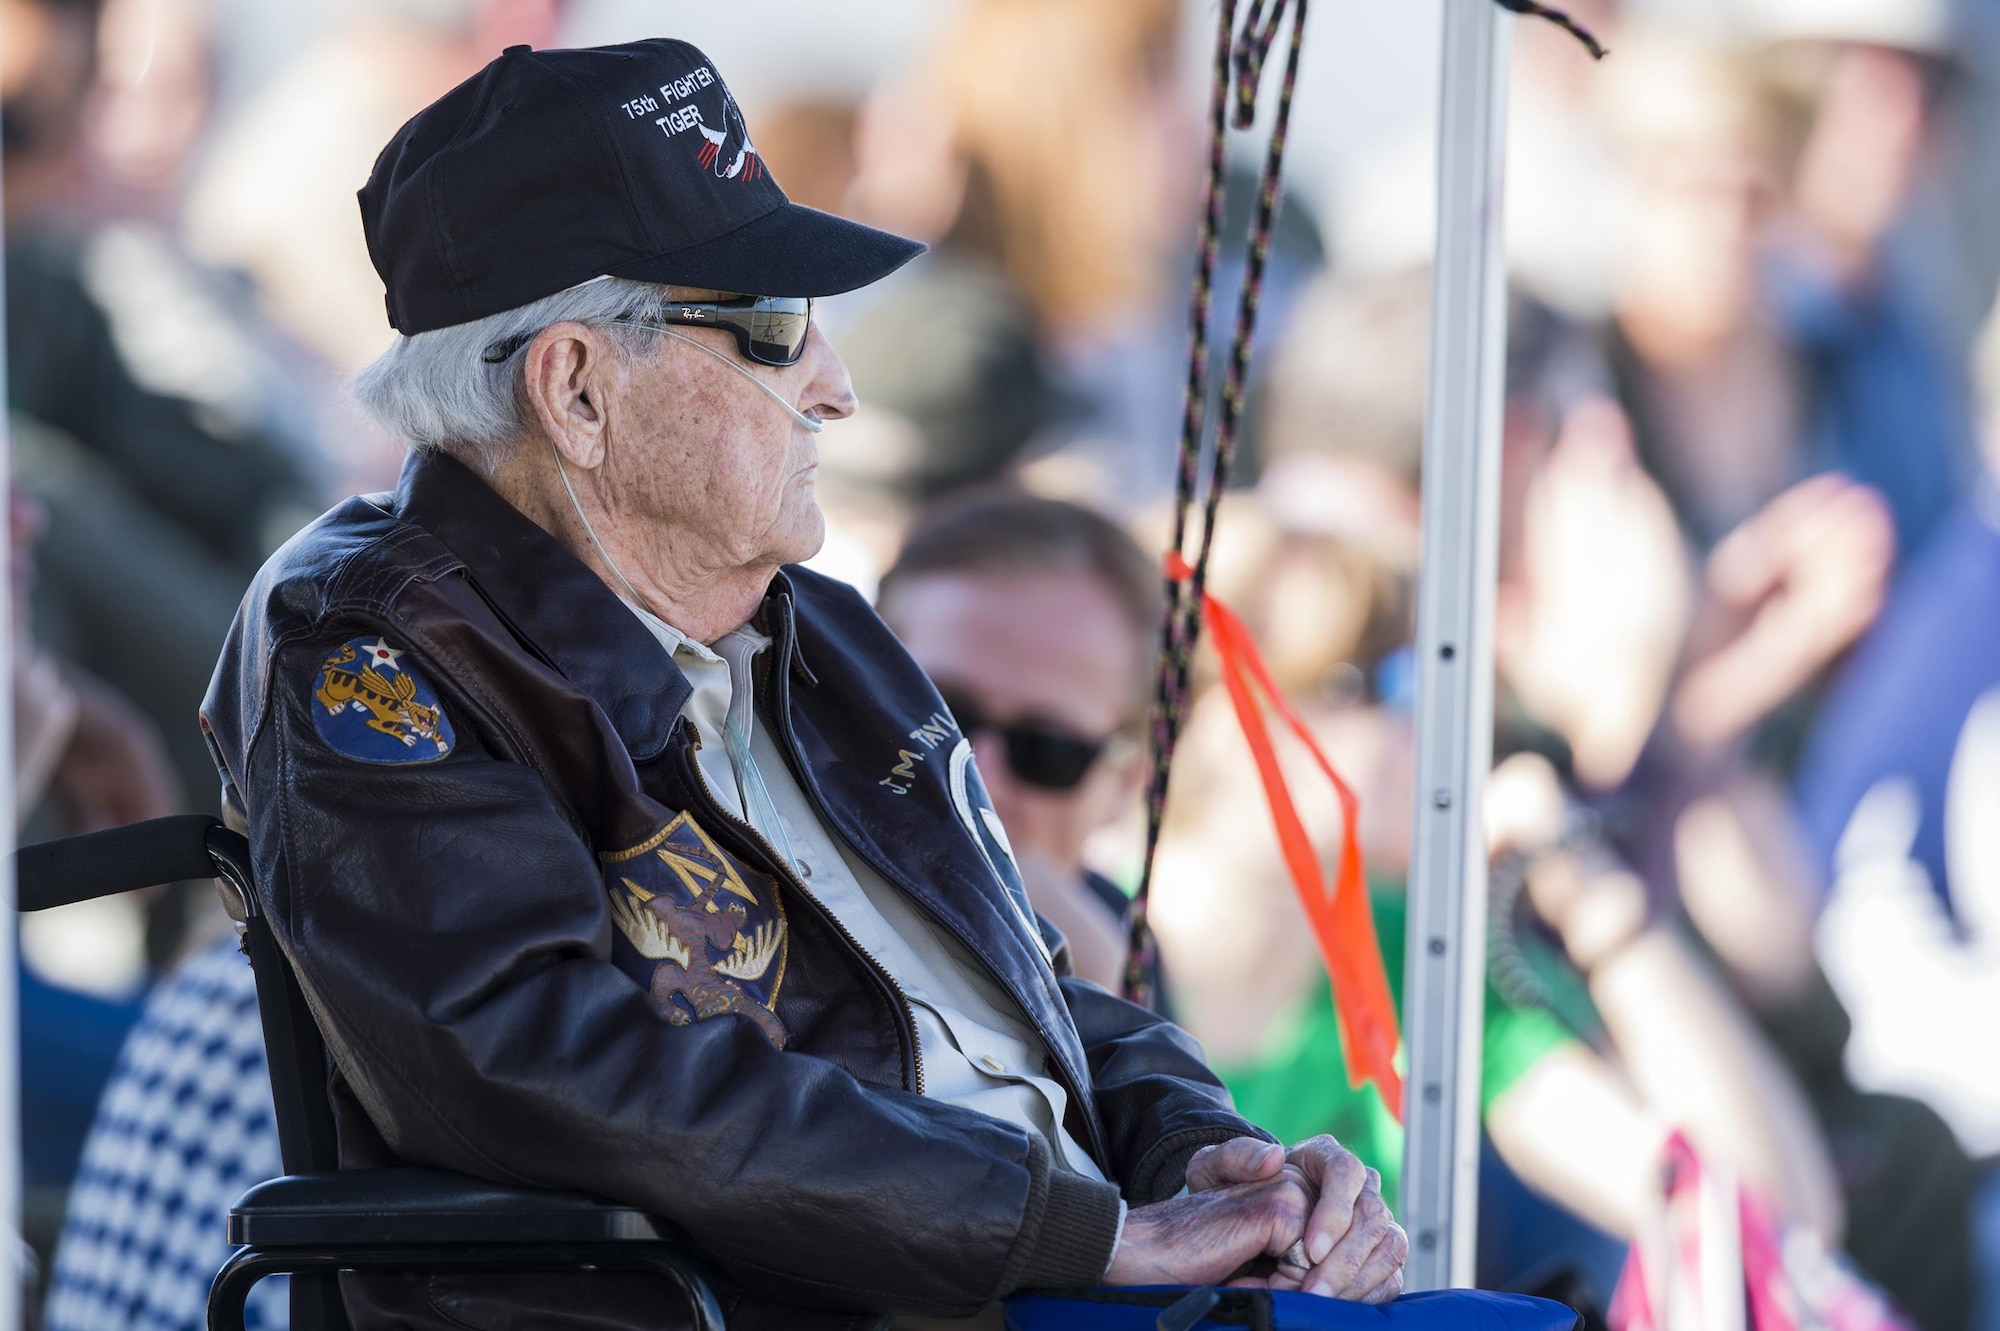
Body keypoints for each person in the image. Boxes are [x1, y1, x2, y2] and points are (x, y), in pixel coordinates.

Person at [199, 40, 1407, 1329]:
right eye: (773, 332)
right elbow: (540, 1058)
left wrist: (1212, 1163)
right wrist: (1069, 1229)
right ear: (576, 390)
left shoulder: (812, 628)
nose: (834, 385)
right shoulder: (376, 644)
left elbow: (1022, 992)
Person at [875, 492, 1158, 997]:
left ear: (1127, 785)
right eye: (937, 716)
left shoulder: (1122, 955)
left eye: (1047, 751)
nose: (979, 776)